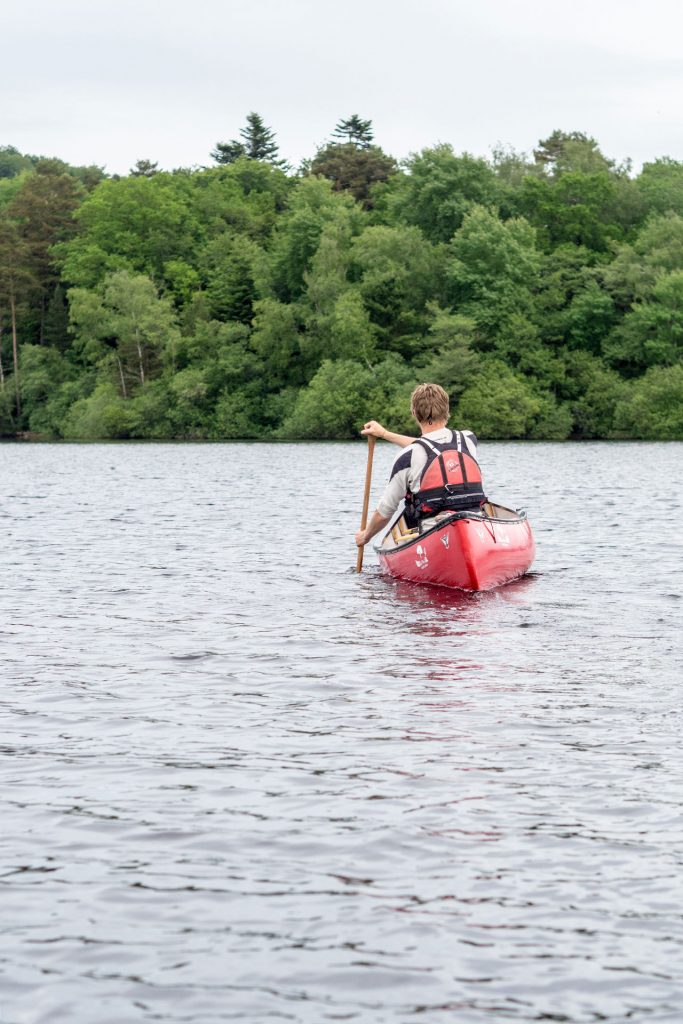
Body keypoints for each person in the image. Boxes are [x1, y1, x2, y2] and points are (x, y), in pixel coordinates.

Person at [354, 383, 486, 549]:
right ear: (447, 410)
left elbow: (384, 512)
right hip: (475, 525)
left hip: (432, 536)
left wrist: (365, 536)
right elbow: (434, 445)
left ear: (414, 413)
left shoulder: (407, 457)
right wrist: (384, 434)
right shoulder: (468, 439)